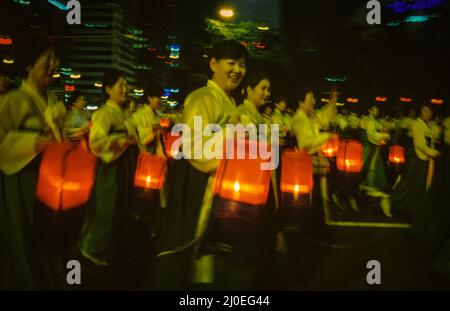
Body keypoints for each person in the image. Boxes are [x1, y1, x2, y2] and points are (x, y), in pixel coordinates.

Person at [154, 40, 248, 290]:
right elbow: (195, 147)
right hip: (203, 184)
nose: (237, 70)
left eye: (242, 65)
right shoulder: (202, 98)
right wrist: (234, 134)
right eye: (231, 63)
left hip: (222, 185)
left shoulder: (228, 101)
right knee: (201, 258)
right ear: (213, 63)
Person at [0, 31, 67, 290]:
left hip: (49, 182)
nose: (54, 65)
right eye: (47, 59)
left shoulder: (53, 102)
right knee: (25, 237)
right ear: (28, 65)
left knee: (49, 239)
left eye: (55, 59)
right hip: (23, 183)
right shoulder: (11, 101)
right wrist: (34, 143)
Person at [78, 70, 138, 289]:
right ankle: (92, 251)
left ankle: (111, 253)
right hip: (111, 168)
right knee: (105, 208)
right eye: (120, 85)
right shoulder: (105, 113)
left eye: (126, 84)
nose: (125, 88)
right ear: (108, 89)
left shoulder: (122, 113)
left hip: (124, 167)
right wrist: (122, 140)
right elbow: (97, 142)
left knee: (118, 209)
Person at [290, 86, 337, 233]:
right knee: (311, 198)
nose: (314, 102)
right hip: (306, 163)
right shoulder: (299, 119)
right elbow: (306, 143)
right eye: (311, 99)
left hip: (311, 163)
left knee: (315, 198)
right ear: (301, 102)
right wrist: (326, 136)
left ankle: (315, 226)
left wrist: (332, 101)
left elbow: (324, 117)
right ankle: (311, 229)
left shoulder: (309, 117)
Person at [382, 105, 440, 219]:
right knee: (408, 183)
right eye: (424, 110)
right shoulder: (417, 124)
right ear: (420, 112)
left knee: (416, 186)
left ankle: (411, 209)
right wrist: (433, 152)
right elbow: (420, 145)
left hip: (423, 160)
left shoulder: (426, 125)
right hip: (416, 159)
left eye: (429, 111)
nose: (427, 113)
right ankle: (389, 201)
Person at [359, 105, 391, 199]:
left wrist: (383, 130)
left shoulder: (371, 120)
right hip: (369, 146)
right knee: (370, 164)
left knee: (367, 164)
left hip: (367, 145)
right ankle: (369, 185)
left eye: (377, 110)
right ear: (369, 110)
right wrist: (384, 136)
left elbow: (378, 127)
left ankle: (365, 183)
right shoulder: (370, 121)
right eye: (374, 110)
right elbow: (371, 135)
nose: (376, 111)